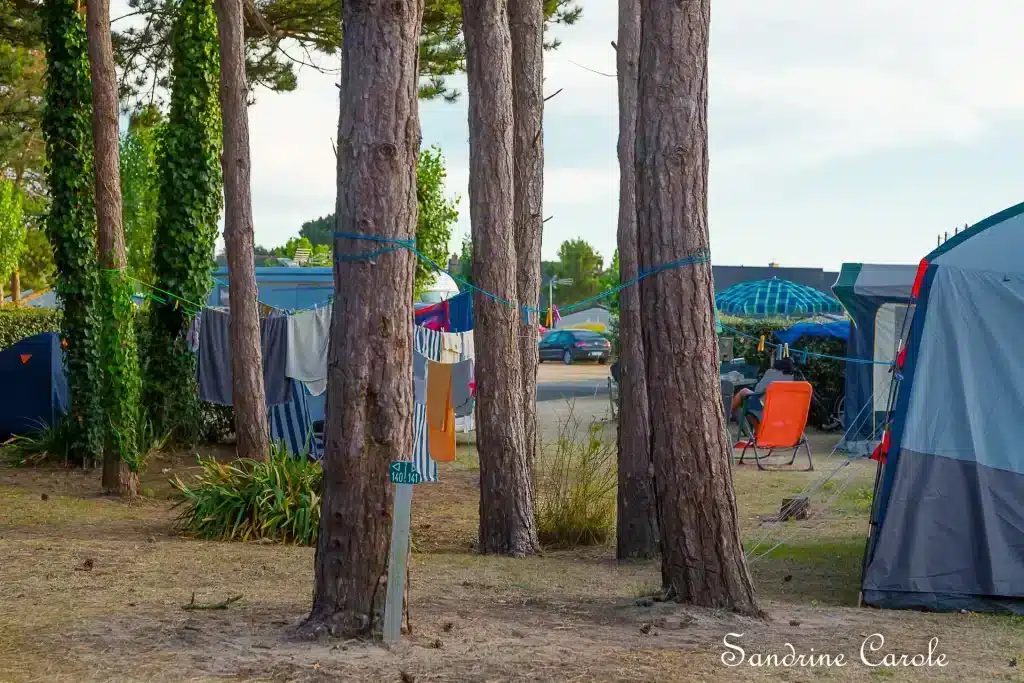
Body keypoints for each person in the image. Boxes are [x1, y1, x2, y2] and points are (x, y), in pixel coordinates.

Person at [731, 357, 796, 428]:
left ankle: (726, 415)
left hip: (765, 407)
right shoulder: (792, 377)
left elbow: (758, 390)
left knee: (744, 393)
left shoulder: (771, 372)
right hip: (784, 410)